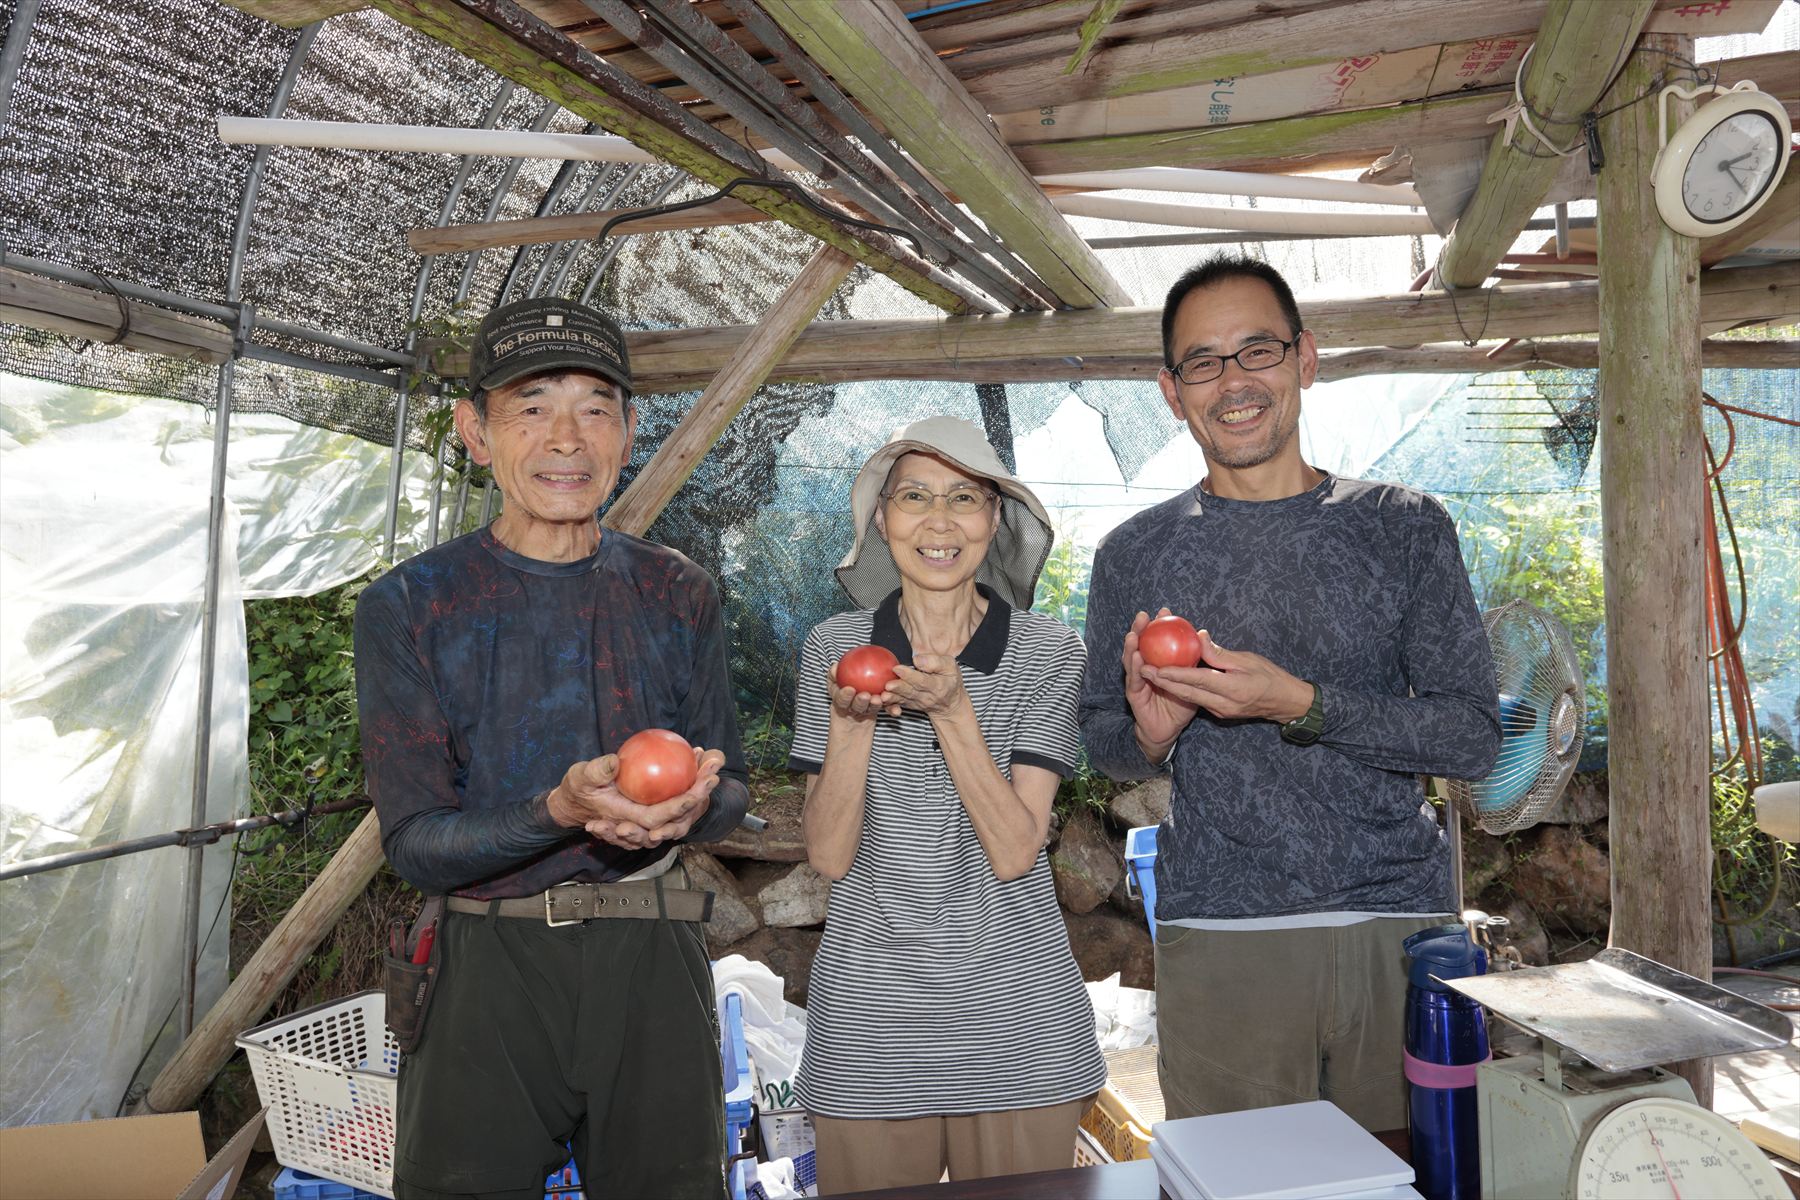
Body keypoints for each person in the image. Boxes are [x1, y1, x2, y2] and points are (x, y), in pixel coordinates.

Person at [1077, 254, 1500, 1133]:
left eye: (1257, 350)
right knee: (1238, 1185)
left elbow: (1471, 738)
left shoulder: (1403, 527)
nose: (1233, 382)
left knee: (1415, 1176)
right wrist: (1151, 735)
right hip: (1226, 944)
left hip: (1400, 935)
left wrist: (1302, 705)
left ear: (1306, 359)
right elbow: (1103, 738)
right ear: (1170, 390)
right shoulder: (1134, 554)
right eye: (1203, 361)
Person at [355, 296, 748, 1199]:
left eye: (596, 409)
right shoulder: (412, 606)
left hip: (651, 955)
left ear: (629, 432)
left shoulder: (678, 592)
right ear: (476, 433)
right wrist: (559, 811)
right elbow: (415, 844)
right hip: (485, 970)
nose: (567, 438)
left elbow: (729, 787)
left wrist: (699, 803)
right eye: (532, 407)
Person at [787, 416, 1106, 1193]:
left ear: (994, 519)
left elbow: (1014, 849)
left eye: (964, 498)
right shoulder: (833, 649)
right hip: (869, 1024)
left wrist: (954, 713)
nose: (938, 520)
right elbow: (827, 856)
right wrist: (851, 723)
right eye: (914, 496)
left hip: (1018, 1025)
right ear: (881, 519)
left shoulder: (1048, 652)